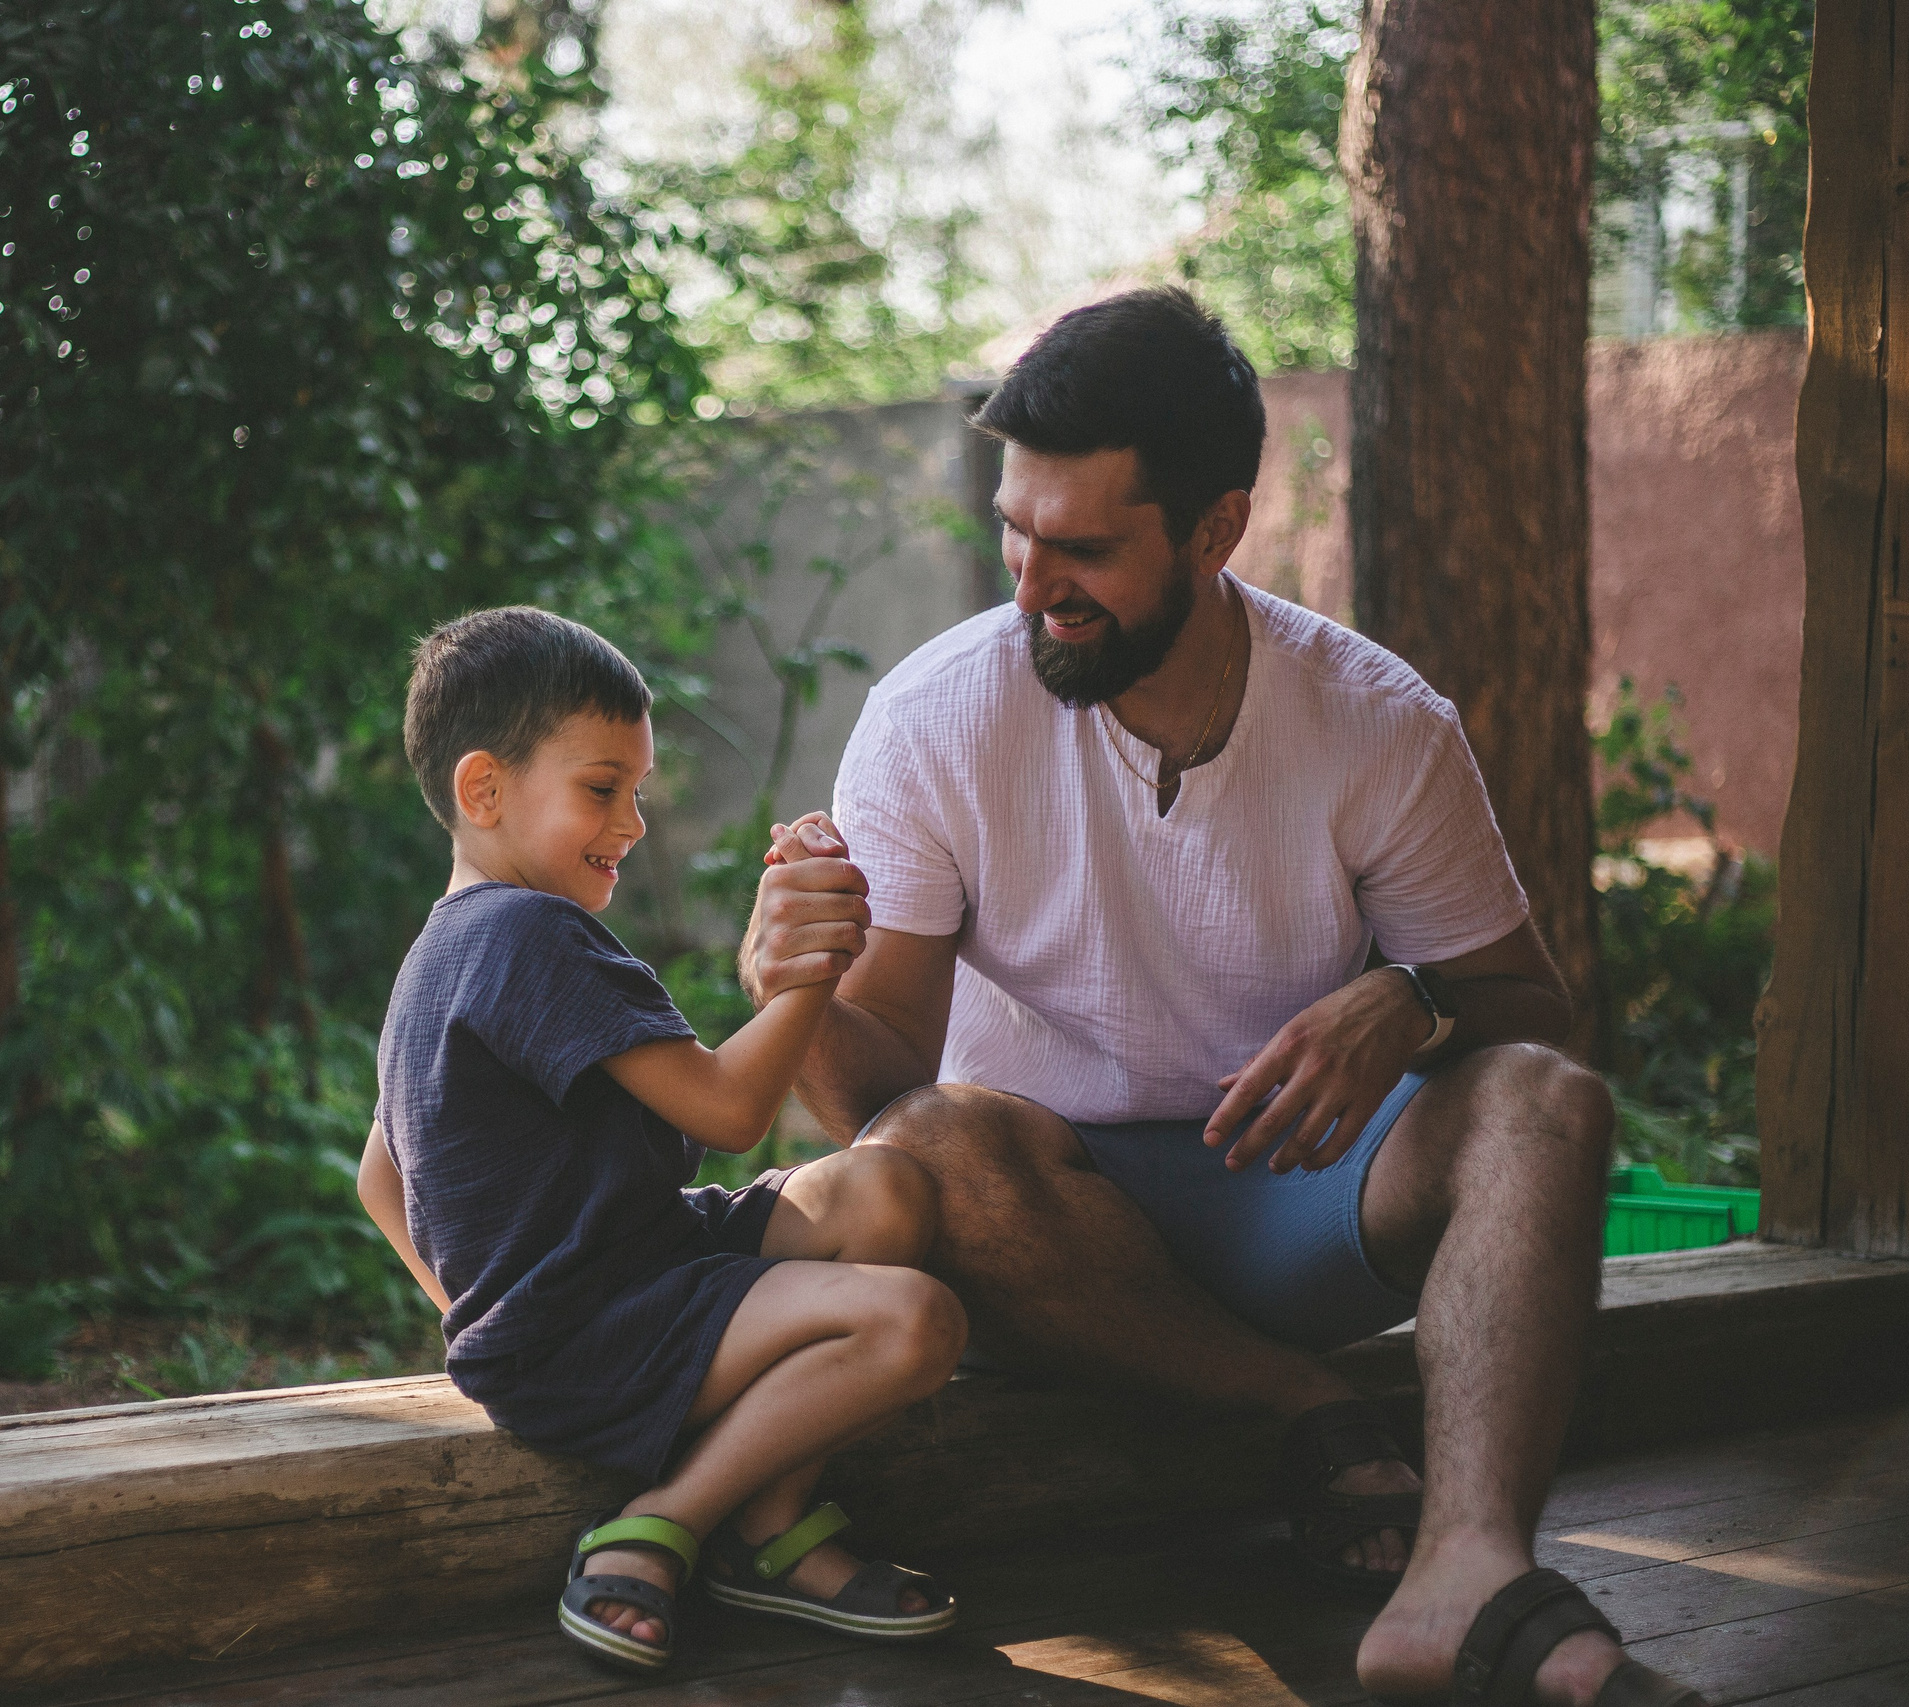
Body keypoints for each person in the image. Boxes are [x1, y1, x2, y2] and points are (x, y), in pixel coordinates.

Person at [739, 290, 1707, 1707]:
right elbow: (881, 1090)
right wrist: (796, 988)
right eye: (1015, 529)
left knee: (1546, 1105)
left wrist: (1414, 997)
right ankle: (1303, 1405)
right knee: (930, 1141)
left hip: (1296, 1196)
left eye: (1081, 548)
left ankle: (1470, 1568)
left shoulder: (1375, 720)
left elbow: (1537, 1021)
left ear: (1214, 530)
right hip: (1052, 1234)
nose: (1028, 585)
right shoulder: (935, 714)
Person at [356, 606, 967, 1676]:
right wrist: (808, 972)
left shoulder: (436, 954)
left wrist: (484, 1319)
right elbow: (730, 1113)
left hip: (622, 1281)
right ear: (483, 789)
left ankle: (766, 1516)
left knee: (887, 1190)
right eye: (602, 789)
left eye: (634, 791)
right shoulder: (530, 932)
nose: (630, 822)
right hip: (602, 1323)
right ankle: (670, 1523)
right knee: (915, 1322)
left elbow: (375, 1179)